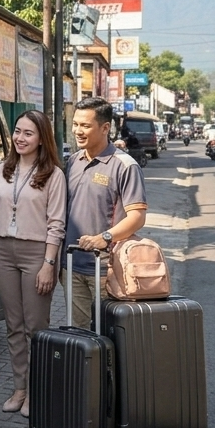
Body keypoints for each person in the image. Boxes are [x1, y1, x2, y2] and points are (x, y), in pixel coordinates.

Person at [0, 110, 66, 419]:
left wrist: (49, 264)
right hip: (4, 251)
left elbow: (56, 225)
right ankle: (19, 388)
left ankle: (35, 390)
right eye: (17, 131)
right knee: (13, 325)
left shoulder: (54, 175)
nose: (20, 138)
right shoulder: (3, 169)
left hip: (36, 254)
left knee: (36, 327)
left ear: (42, 138)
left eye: (28, 133)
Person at [66, 97, 148, 330]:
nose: (77, 131)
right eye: (75, 124)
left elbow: (137, 216)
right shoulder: (73, 161)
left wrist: (105, 237)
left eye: (85, 126)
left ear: (105, 128)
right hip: (72, 264)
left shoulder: (125, 165)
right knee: (77, 336)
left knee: (109, 335)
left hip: (107, 268)